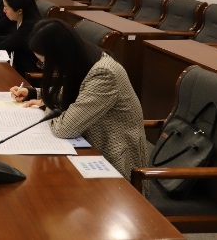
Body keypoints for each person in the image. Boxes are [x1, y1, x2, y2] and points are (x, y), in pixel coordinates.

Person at [10, 18, 148, 182]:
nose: (45, 68)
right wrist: (34, 93)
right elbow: (78, 90)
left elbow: (64, 129)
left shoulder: (104, 73)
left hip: (113, 159)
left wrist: (47, 103)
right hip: (89, 145)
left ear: (61, 55)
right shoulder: (84, 58)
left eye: (44, 63)